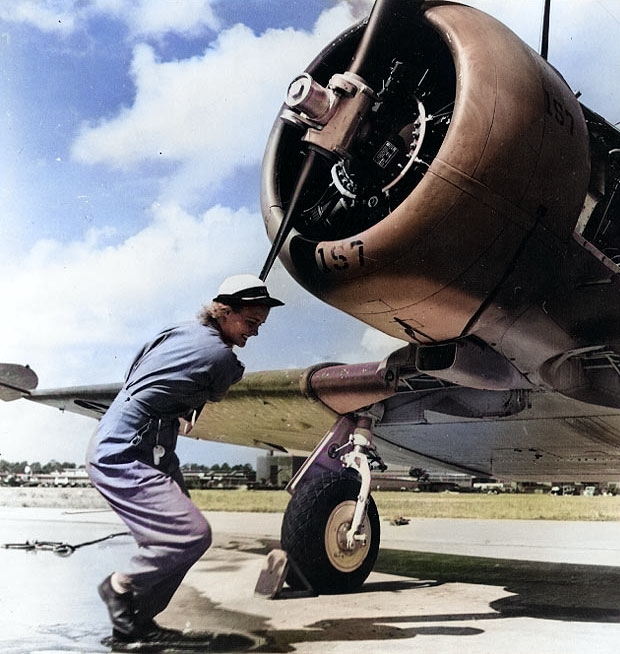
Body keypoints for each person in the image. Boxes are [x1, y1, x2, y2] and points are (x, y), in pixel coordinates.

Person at [86, 274, 283, 647]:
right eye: (251, 323)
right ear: (225, 312)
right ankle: (118, 588)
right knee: (191, 536)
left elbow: (138, 367)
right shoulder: (221, 358)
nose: (254, 333)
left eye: (259, 325)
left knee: (177, 544)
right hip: (126, 452)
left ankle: (135, 624)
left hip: (140, 444)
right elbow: (222, 386)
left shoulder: (176, 332)